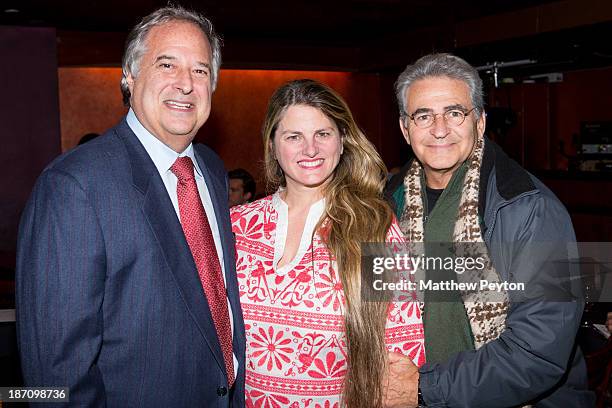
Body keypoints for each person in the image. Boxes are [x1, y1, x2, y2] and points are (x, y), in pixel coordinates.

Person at [16, 6, 245, 407]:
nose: (185, 84)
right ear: (129, 75)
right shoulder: (74, 186)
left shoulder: (210, 167)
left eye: (200, 70)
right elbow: (56, 374)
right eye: (167, 64)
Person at [383, 53, 593, 407]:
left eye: (454, 113)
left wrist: (423, 389)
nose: (439, 129)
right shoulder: (386, 205)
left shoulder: (530, 209)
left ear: (479, 122)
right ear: (405, 129)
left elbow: (538, 353)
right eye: (423, 115)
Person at [230, 79, 425, 407]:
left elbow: (403, 351)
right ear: (273, 145)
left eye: (323, 134)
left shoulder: (375, 227)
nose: (310, 149)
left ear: (342, 140)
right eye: (294, 137)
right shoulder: (236, 225)